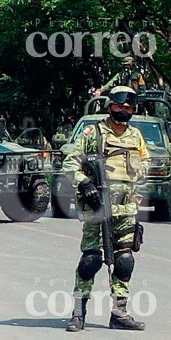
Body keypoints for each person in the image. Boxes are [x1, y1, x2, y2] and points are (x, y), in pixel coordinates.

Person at [63, 86, 149, 332]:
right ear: (110, 106)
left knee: (124, 260)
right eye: (120, 106)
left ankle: (119, 313)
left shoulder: (136, 136)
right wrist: (85, 183)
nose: (124, 111)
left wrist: (138, 189)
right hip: (97, 207)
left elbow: (144, 163)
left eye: (129, 108)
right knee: (91, 259)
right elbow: (70, 161)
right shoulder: (93, 133)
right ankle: (78, 313)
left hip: (126, 209)